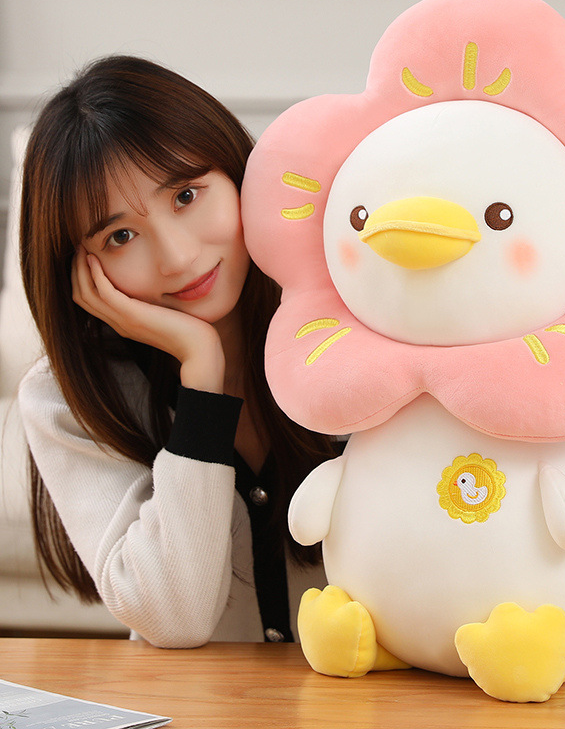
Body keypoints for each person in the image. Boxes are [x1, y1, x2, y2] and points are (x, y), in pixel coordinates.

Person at [17, 55, 337, 648]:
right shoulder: (66, 398)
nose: (178, 257)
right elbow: (175, 618)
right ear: (77, 266)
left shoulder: (345, 329)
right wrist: (202, 377)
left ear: (239, 173)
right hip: (192, 697)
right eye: (120, 236)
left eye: (187, 195)